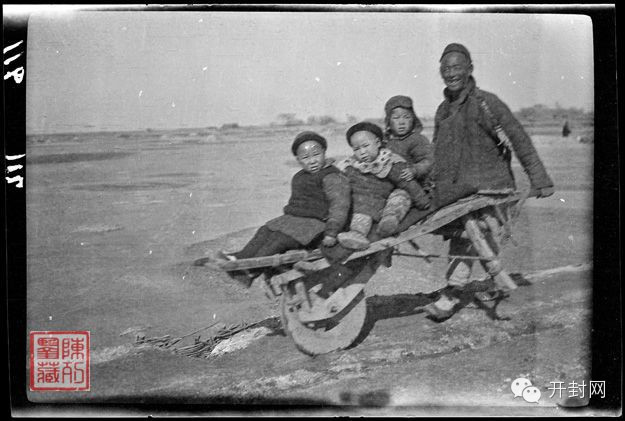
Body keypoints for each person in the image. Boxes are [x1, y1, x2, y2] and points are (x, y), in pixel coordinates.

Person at [424, 43, 555, 321]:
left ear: (470, 69)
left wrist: (539, 178)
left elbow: (518, 137)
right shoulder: (442, 110)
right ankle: (488, 284)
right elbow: (437, 150)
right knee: (470, 237)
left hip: (490, 187)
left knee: (475, 234)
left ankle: (454, 292)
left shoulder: (487, 102)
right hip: (457, 190)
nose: (451, 73)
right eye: (445, 69)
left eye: (457, 67)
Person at [213, 131, 351, 287]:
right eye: (305, 158)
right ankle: (240, 259)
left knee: (280, 239)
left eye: (316, 155)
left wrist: (332, 232)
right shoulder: (300, 177)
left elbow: (340, 206)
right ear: (298, 160)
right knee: (266, 230)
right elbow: (297, 204)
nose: (312, 161)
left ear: (324, 152)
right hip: (296, 220)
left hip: (319, 225)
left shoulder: (332, 177)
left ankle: (250, 271)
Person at [336, 121, 431, 250]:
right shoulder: (351, 166)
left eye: (365, 146)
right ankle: (357, 235)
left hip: (387, 201)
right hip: (363, 204)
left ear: (378, 143)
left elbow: (406, 182)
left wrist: (422, 200)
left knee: (401, 196)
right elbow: (341, 185)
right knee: (361, 216)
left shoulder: (389, 161)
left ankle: (389, 220)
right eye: (356, 149)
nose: (362, 152)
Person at [376, 95, 435, 236]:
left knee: (399, 197)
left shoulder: (417, 140)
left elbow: (428, 161)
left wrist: (414, 170)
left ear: (413, 119)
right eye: (396, 118)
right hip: (388, 184)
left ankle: (390, 220)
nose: (401, 122)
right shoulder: (385, 142)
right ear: (388, 121)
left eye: (407, 117)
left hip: (413, 185)